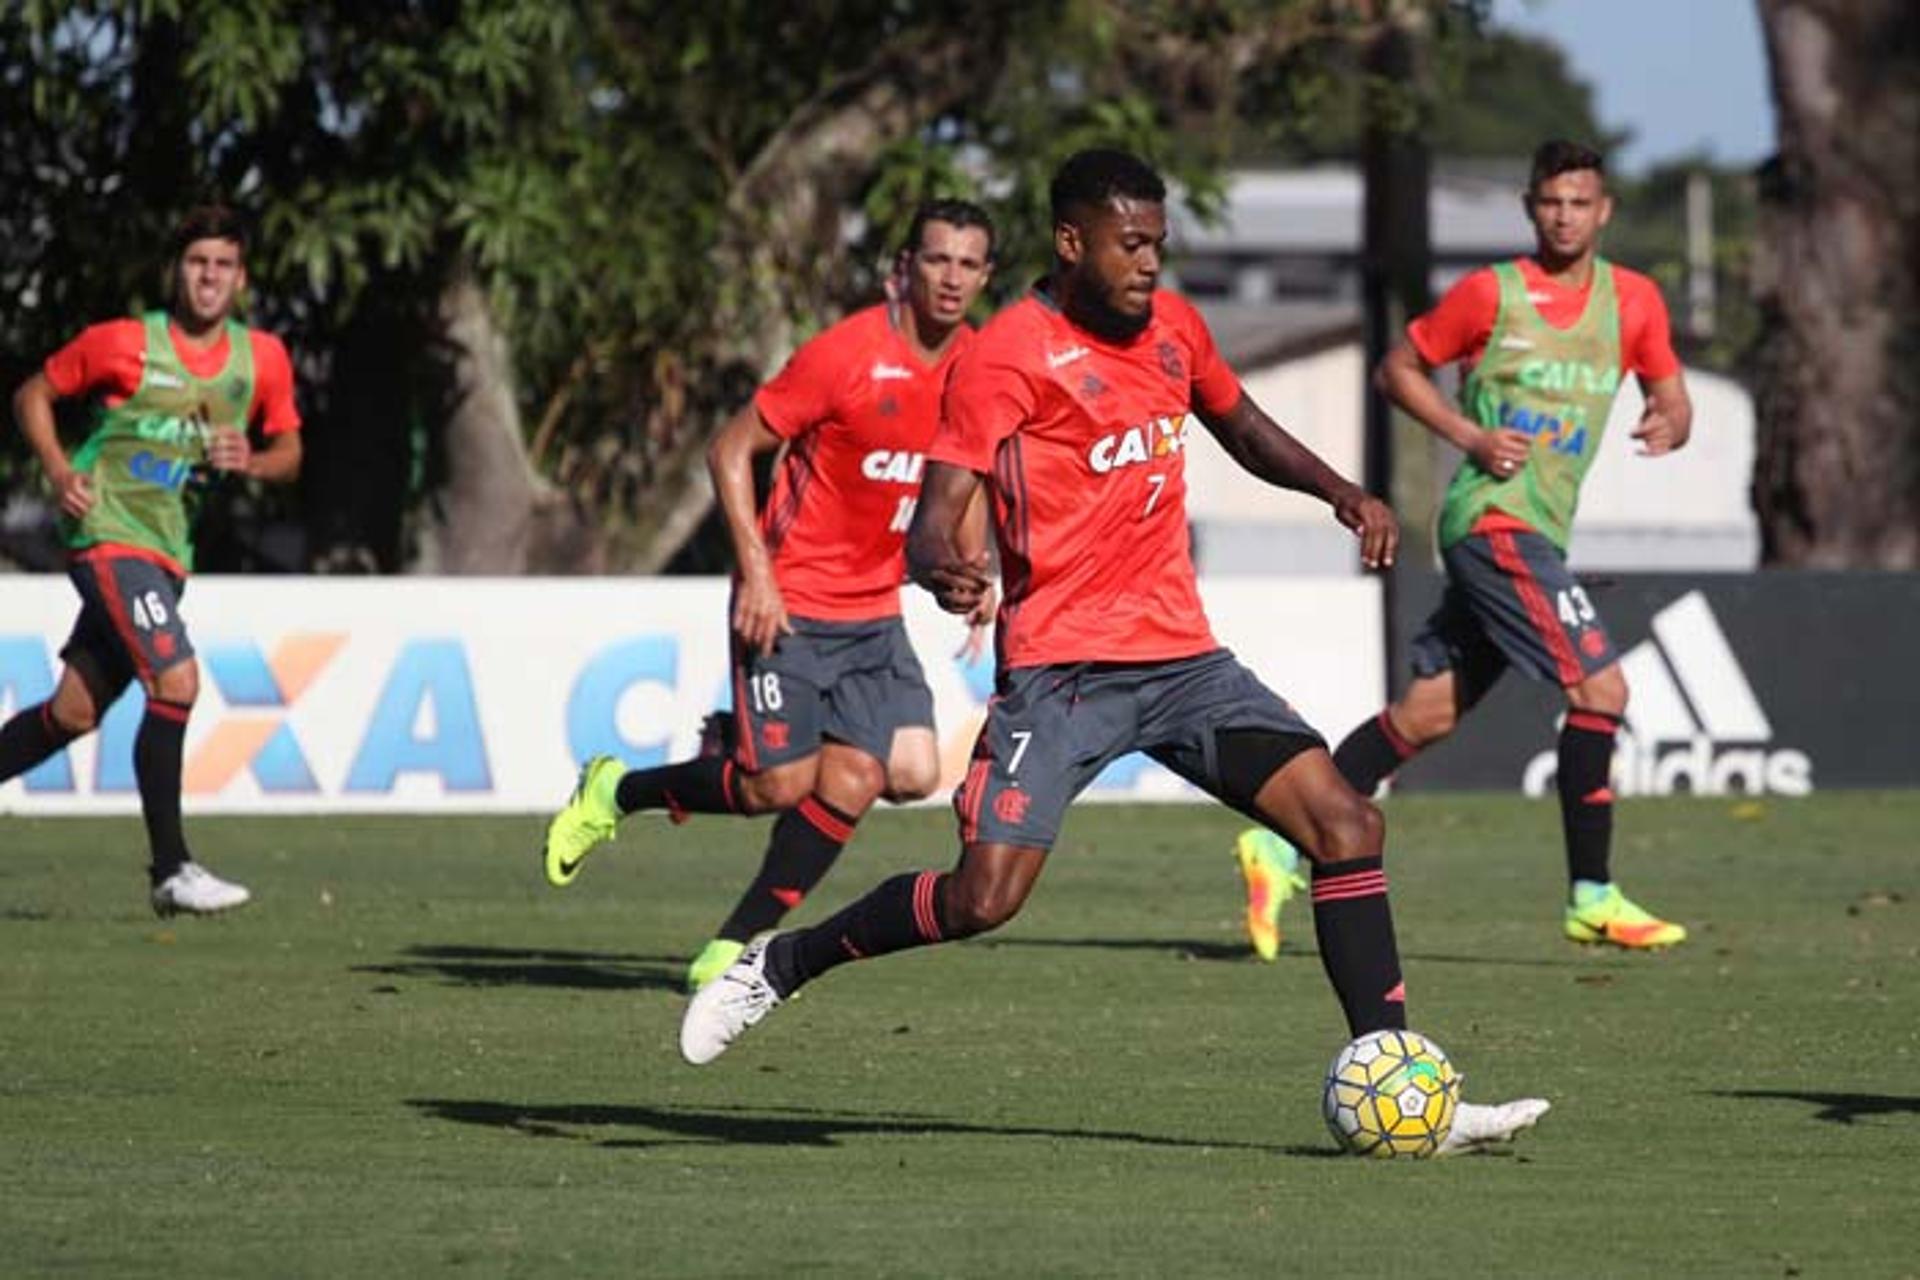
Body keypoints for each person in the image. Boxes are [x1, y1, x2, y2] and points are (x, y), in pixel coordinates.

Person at [681, 149, 1547, 1153]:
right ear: (1071, 241)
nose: (1150, 263)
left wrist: (1342, 493)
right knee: (982, 897)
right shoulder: (1006, 354)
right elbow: (938, 513)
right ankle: (780, 964)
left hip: (1184, 663)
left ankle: (1404, 1084)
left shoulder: (1176, 327)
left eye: (1160, 243)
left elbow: (1244, 424)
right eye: (1131, 244)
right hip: (1061, 675)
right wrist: (939, 567)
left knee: (1346, 823)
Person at [1236, 139, 1694, 952]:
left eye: (1578, 202)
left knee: (1426, 712)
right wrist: (1468, 435)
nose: (1564, 216)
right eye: (1550, 201)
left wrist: (1671, 417)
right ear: (1530, 206)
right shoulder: (1491, 295)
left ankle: (1276, 840)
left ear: (1604, 210)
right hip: (1492, 521)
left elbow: (1672, 392)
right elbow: (1398, 369)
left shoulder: (1635, 303)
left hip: (1540, 528)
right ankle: (1592, 894)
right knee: (1603, 691)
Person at [541, 200, 997, 991]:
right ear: (905, 266)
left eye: (967, 264)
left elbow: (970, 472)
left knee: (909, 771)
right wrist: (755, 571)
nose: (951, 277)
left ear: (984, 276)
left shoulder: (979, 366)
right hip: (790, 599)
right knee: (774, 786)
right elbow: (729, 448)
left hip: (874, 612)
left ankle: (737, 942)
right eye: (937, 260)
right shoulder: (846, 354)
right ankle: (617, 789)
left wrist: (976, 564)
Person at [2, 205, 303, 915]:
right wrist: (56, 468)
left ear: (241, 277)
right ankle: (172, 870)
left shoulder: (261, 358)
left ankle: (172, 871)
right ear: (177, 270)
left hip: (168, 551)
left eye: (223, 264)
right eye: (197, 261)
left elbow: (291, 454)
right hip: (110, 533)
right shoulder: (123, 343)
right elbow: (33, 393)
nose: (209, 276)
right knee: (177, 678)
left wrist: (252, 459)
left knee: (73, 713)